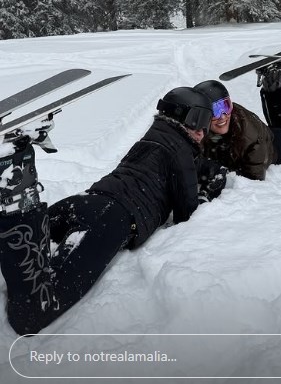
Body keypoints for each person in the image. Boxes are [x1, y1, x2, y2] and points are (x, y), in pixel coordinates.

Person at [0, 87, 225, 335]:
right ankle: (16, 177)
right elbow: (188, 213)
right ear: (191, 119)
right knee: (34, 313)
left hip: (83, 201)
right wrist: (206, 193)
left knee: (23, 248)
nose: (204, 132)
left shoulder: (151, 139)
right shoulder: (181, 151)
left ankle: (15, 158)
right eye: (203, 122)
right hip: (110, 220)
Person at [194, 62, 281, 181]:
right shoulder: (196, 129)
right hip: (267, 134)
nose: (223, 116)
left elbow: (254, 176)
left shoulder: (247, 135)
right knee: (276, 130)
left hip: (279, 148)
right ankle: (272, 81)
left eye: (225, 106)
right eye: (215, 111)